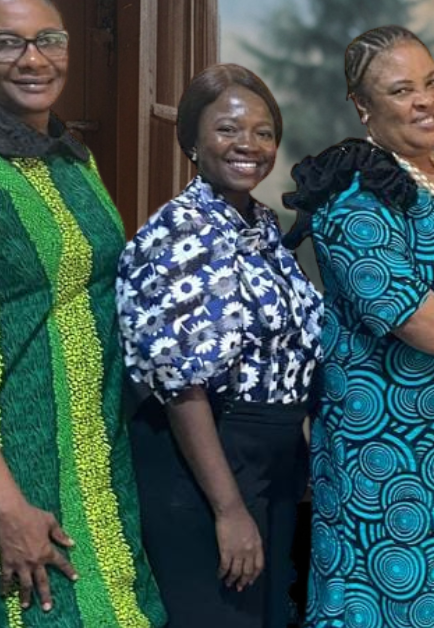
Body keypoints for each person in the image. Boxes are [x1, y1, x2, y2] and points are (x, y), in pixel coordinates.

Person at [0, 0, 165, 626]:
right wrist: (7, 508)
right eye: (7, 43)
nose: (33, 59)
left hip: (98, 459)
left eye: (48, 40)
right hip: (18, 461)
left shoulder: (72, 155)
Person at [285, 26, 434, 628]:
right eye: (401, 90)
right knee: (386, 602)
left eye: (431, 83)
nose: (426, 101)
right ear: (363, 106)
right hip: (385, 452)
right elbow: (400, 306)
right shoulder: (353, 191)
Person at [119, 64, 323, 627]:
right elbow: (183, 387)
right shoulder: (180, 232)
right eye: (228, 129)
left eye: (263, 132)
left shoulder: (260, 226)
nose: (248, 145)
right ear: (192, 140)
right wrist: (229, 509)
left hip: (269, 465)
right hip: (207, 465)